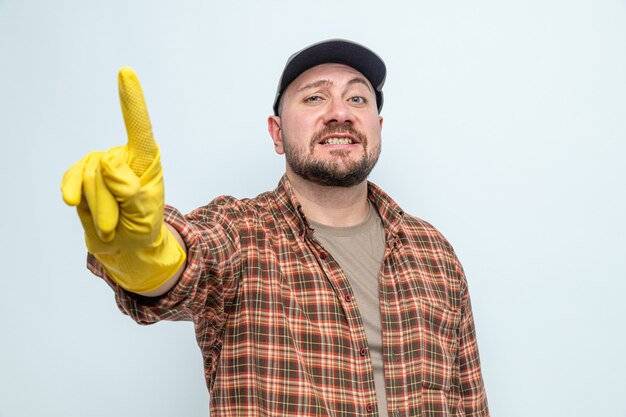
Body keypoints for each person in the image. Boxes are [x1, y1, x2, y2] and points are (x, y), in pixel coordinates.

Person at [62, 39, 489, 417]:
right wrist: (146, 249)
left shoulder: (435, 254)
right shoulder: (240, 232)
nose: (340, 113)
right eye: (314, 98)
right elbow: (192, 257)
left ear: (378, 126)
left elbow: (471, 403)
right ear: (277, 133)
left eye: (358, 99)